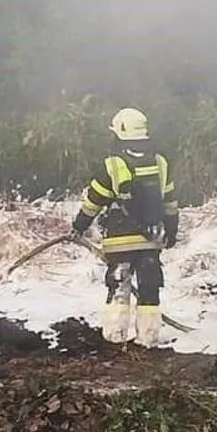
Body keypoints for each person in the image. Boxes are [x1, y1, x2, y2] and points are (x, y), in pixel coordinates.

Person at [71, 107, 179, 347]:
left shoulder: (112, 165)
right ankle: (148, 339)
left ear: (119, 133)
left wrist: (79, 226)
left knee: (119, 287)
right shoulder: (161, 162)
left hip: (119, 240)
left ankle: (115, 339)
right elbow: (170, 201)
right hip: (151, 239)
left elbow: (94, 202)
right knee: (150, 290)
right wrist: (172, 231)